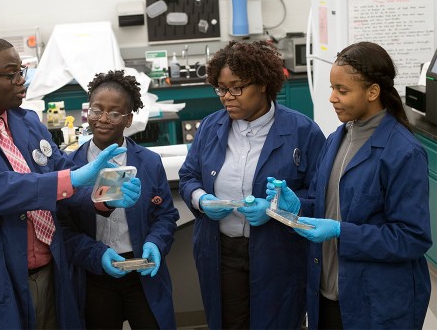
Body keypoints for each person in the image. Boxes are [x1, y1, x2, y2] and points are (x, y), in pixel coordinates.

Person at [0, 37, 140, 329]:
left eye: (22, 70)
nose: (21, 80)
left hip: (49, 267)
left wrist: (102, 198)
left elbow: (62, 174)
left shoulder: (27, 122)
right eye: (11, 73)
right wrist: (73, 178)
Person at [267, 41, 432, 329]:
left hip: (376, 301)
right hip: (328, 292)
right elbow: (331, 206)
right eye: (332, 88)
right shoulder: (336, 139)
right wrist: (297, 205)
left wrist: (343, 232)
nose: (332, 98)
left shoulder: (403, 152)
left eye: (342, 90)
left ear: (372, 92)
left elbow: (411, 238)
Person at [178, 40, 326, 329]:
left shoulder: (302, 131)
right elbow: (188, 176)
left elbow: (320, 196)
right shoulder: (211, 126)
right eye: (221, 88)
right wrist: (201, 200)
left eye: (237, 87)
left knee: (277, 322)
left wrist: (277, 210)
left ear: (262, 84)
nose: (227, 97)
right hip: (223, 251)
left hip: (278, 251)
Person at [58, 69, 179, 329]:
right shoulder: (70, 167)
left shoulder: (148, 162)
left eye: (115, 113)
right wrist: (95, 254)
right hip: (94, 276)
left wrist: (156, 244)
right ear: (86, 112)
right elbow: (63, 229)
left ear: (128, 119)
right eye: (96, 110)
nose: (103, 119)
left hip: (142, 273)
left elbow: (165, 216)